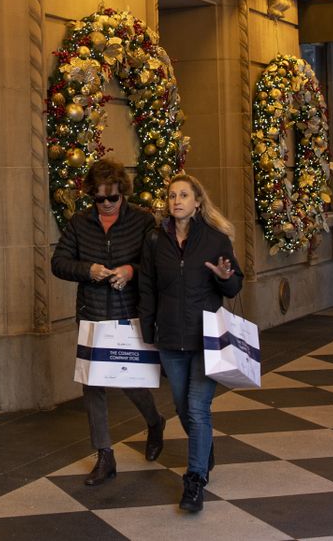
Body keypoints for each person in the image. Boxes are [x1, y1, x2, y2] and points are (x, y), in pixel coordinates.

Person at [51, 157, 164, 486]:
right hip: (92, 313)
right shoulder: (79, 223)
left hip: (130, 312)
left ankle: (154, 421)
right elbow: (59, 263)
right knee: (94, 384)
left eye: (112, 198)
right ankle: (105, 455)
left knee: (130, 380)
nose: (105, 205)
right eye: (98, 199)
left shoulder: (142, 222)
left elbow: (156, 265)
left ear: (122, 193)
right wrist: (89, 270)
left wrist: (130, 271)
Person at [138, 173, 242, 514]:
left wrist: (226, 278)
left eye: (184, 195)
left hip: (205, 338)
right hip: (169, 337)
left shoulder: (215, 240)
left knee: (198, 409)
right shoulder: (155, 240)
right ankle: (204, 444)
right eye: (171, 195)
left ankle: (195, 479)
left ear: (197, 201)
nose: (176, 200)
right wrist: (148, 329)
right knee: (183, 408)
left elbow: (233, 286)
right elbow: (148, 287)